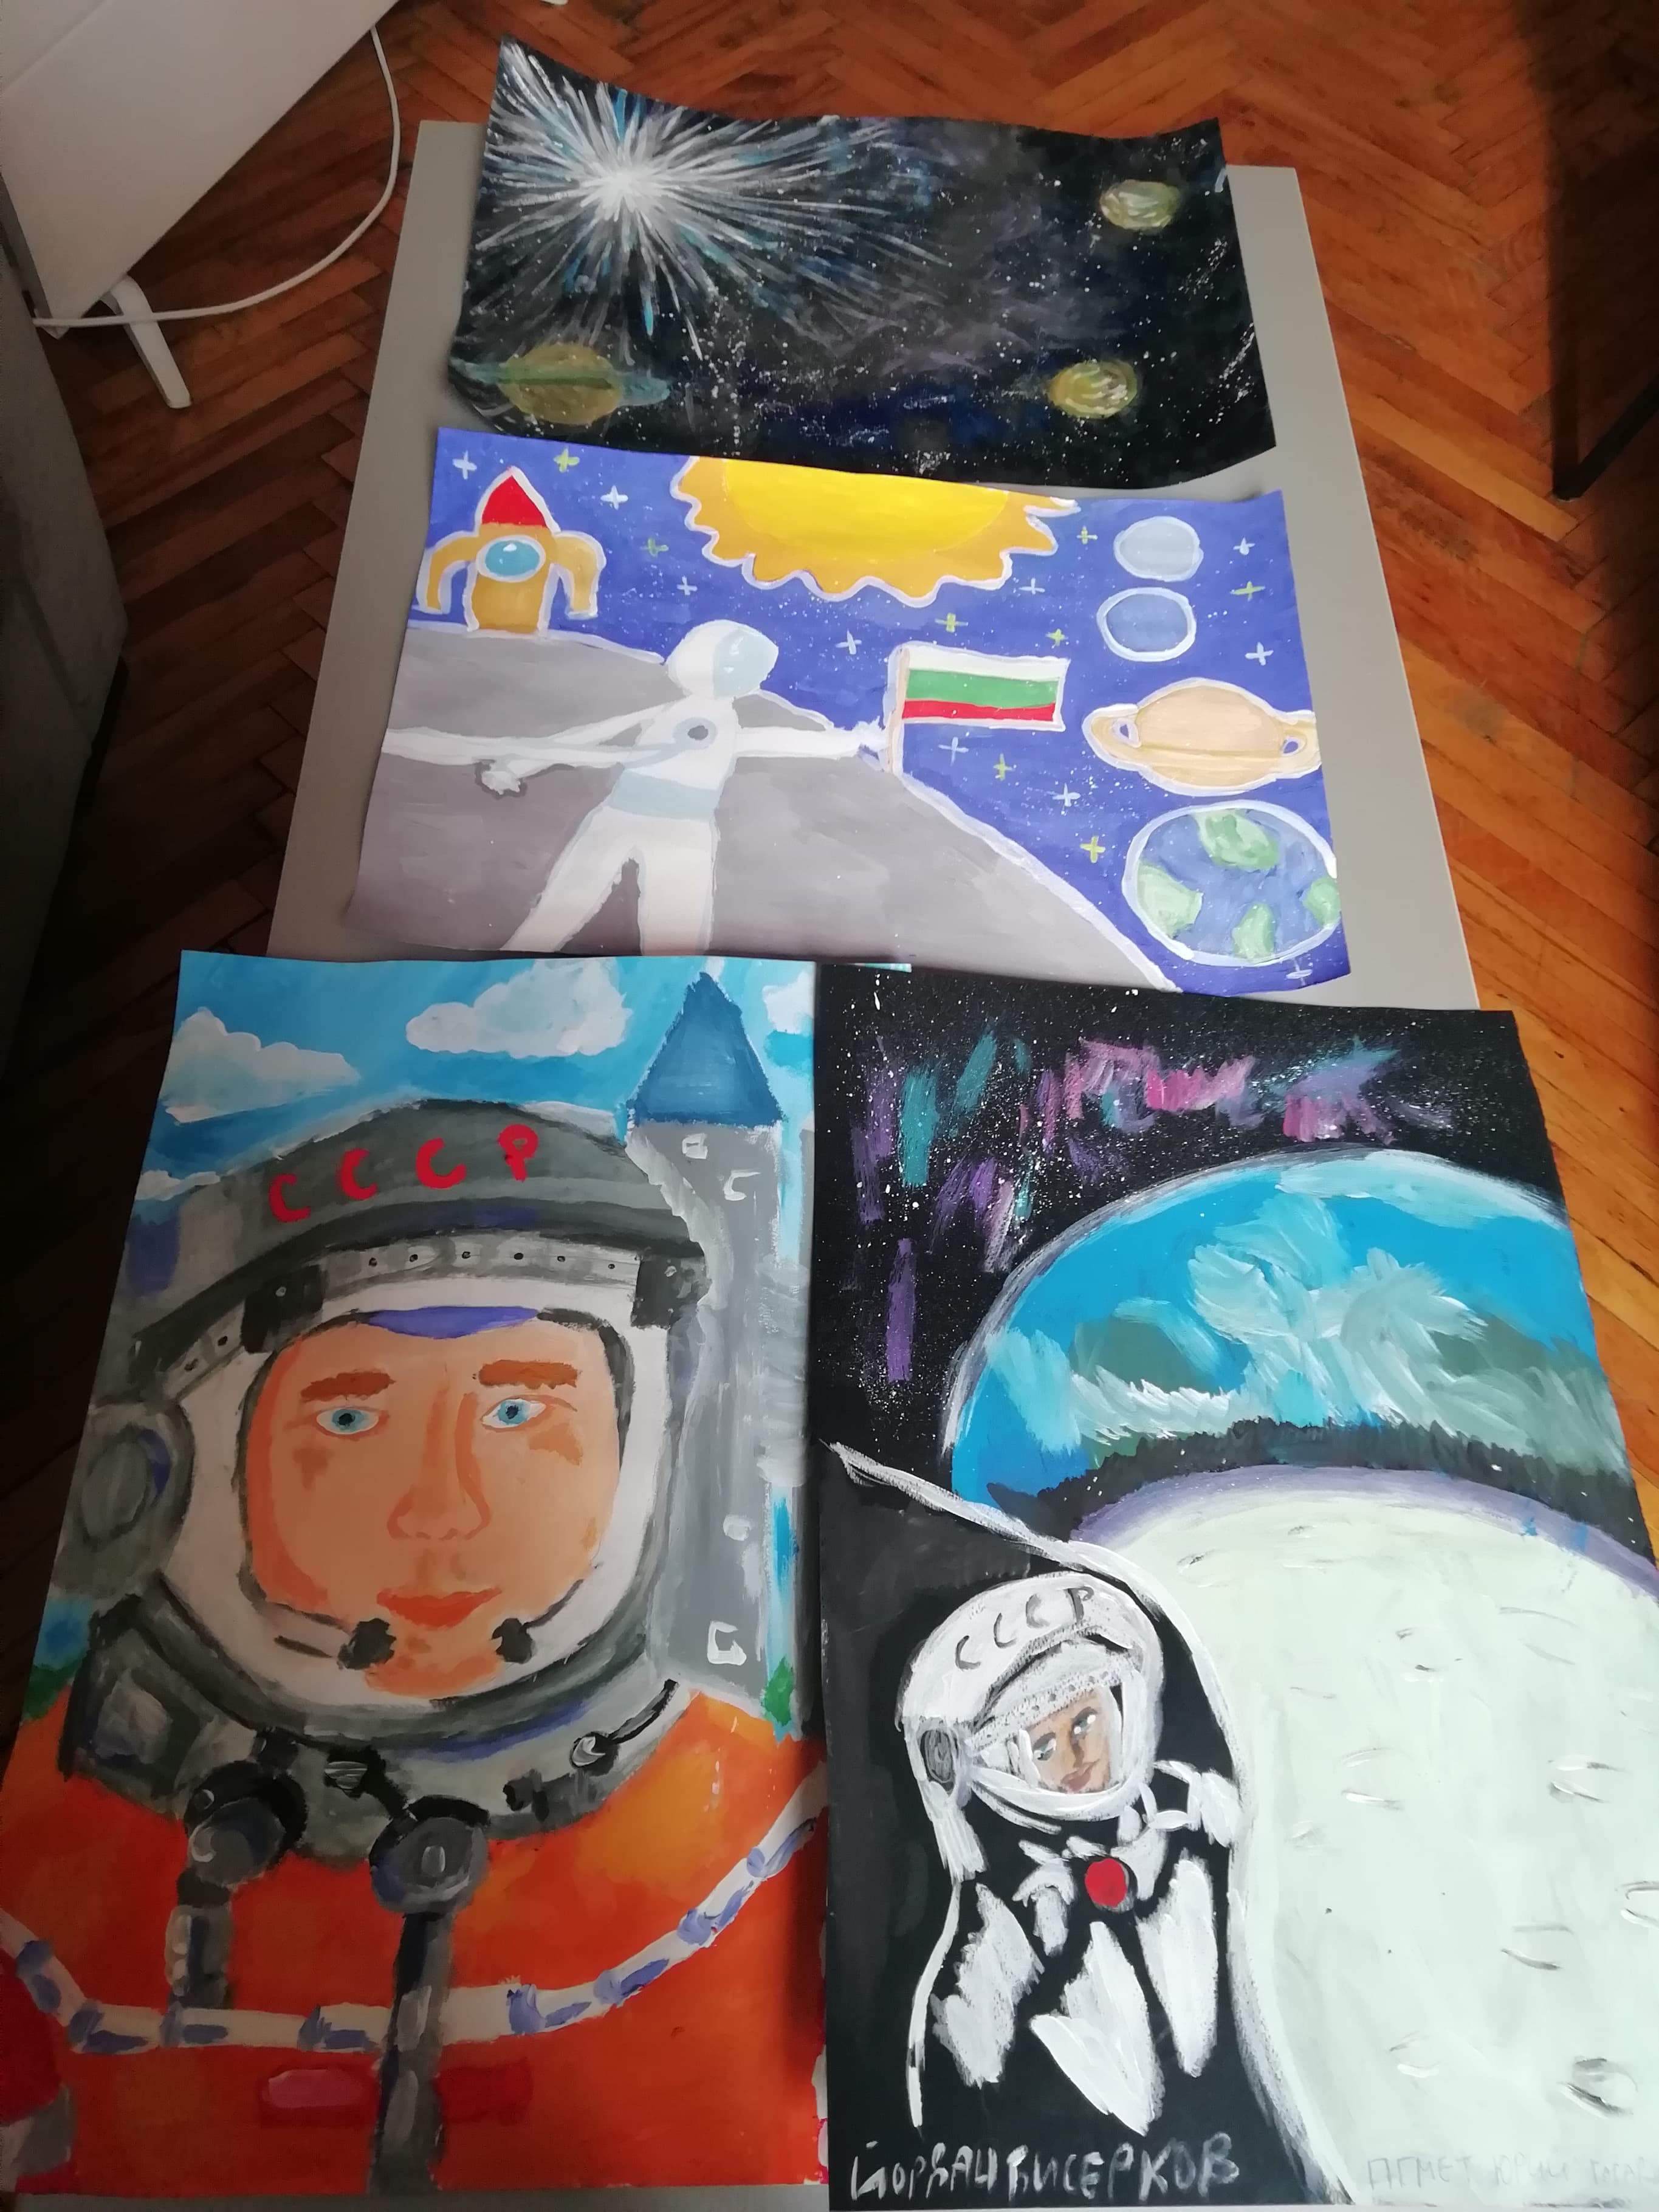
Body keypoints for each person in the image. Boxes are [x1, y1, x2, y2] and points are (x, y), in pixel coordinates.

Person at [0, 1101, 824, 2194]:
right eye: (348, 1421)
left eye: (518, 1413)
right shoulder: (62, 1855)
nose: (442, 1510)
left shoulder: (745, 1847)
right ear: (159, 1482)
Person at [899, 1568, 1240, 2142]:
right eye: (1044, 1746)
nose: (1075, 1755)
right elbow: (962, 2093)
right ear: (1008, 1763)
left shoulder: (1202, 1820)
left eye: (1086, 1722)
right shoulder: (999, 1921)